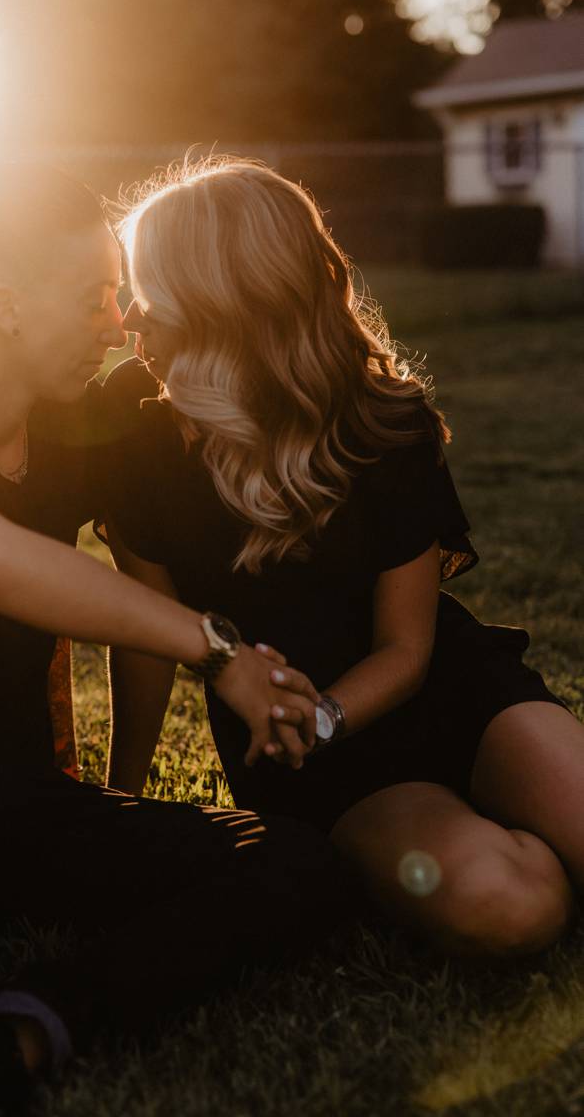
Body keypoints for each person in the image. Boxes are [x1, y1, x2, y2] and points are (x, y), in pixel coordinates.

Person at [0, 164, 357, 1116]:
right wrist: (217, 649)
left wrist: (114, 794)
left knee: (295, 861)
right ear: (7, 308)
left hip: (1, 820)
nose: (118, 324)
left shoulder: (84, 430)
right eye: (95, 299)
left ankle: (7, 1041)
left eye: (120, 298)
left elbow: (138, 584)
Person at [96, 157, 584, 957]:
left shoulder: (384, 419)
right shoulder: (133, 429)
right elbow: (144, 637)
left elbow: (409, 648)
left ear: (221, 301)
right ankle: (488, 838)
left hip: (445, 696)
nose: (130, 322)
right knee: (515, 909)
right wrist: (118, 800)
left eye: (148, 294)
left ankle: (508, 809)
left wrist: (324, 715)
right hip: (314, 759)